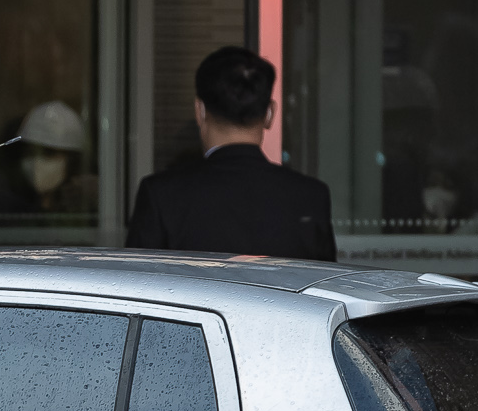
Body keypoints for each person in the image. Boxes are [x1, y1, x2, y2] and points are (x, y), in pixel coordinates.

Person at [125, 46, 337, 261]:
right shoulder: (310, 197)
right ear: (270, 114)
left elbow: (135, 284)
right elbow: (323, 289)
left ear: (200, 111)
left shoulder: (161, 195)